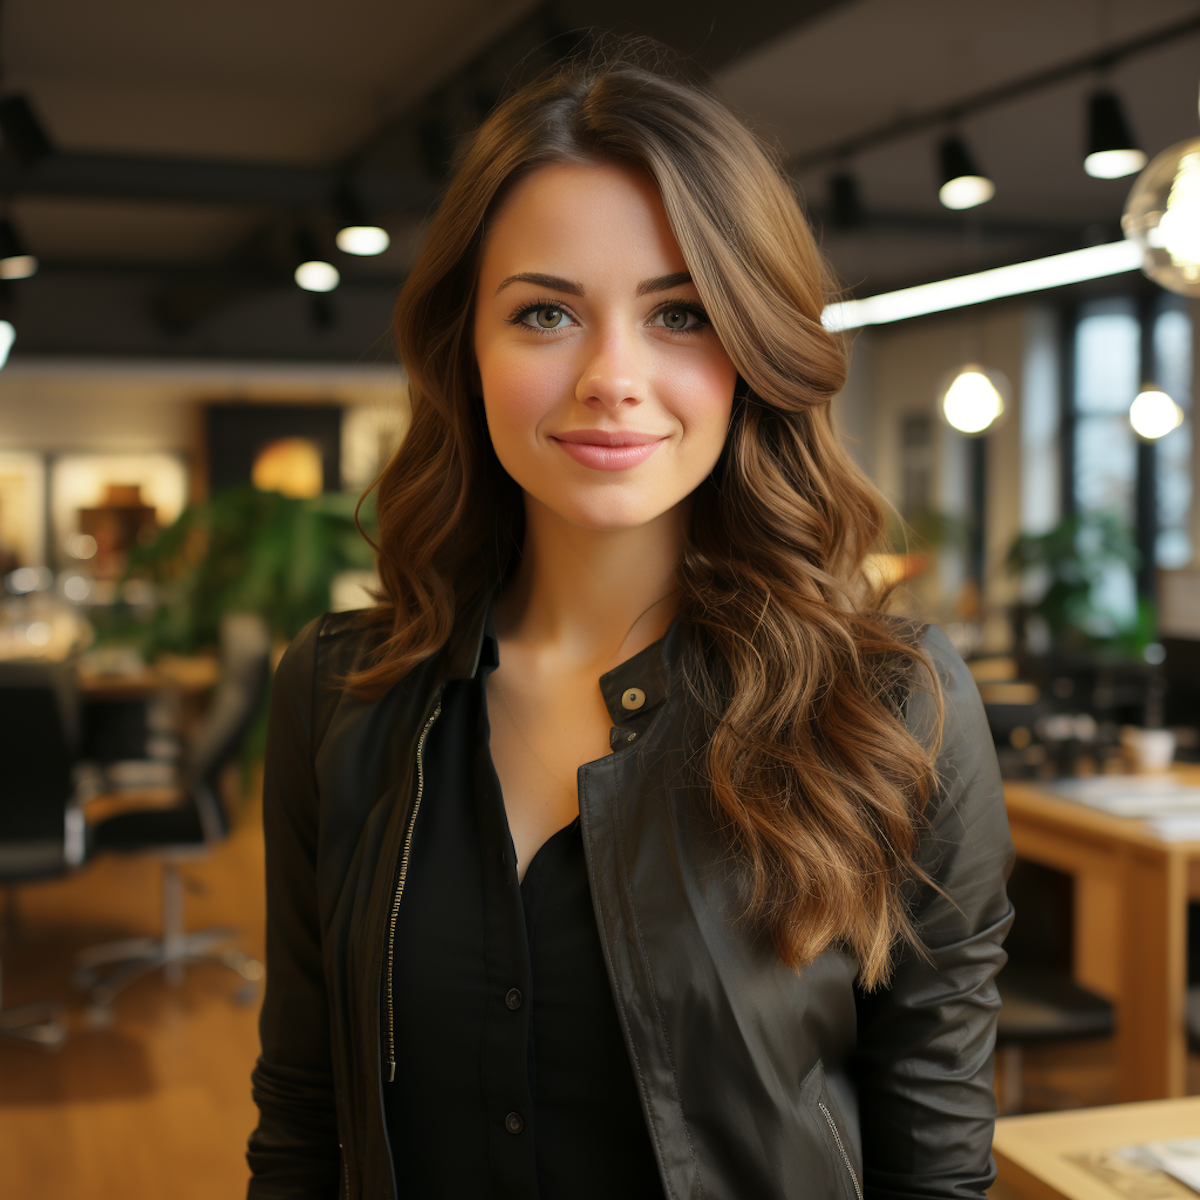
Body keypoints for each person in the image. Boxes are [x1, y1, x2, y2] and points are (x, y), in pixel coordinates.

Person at [247, 47, 1015, 1200]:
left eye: (680, 314)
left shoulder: (891, 704)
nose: (612, 375)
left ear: (752, 350)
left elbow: (935, 1159)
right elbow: (304, 1117)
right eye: (546, 312)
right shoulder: (337, 693)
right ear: (466, 348)